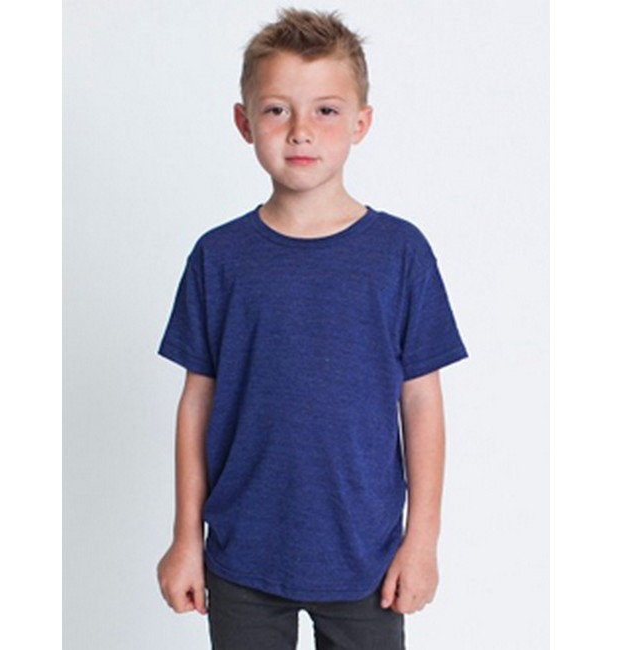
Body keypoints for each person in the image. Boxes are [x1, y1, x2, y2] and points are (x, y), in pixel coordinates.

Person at [156, 8, 467, 650]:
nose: (301, 131)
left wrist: (422, 540)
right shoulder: (219, 257)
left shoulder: (400, 254)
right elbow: (197, 403)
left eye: (326, 110)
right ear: (244, 122)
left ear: (361, 122)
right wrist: (186, 538)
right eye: (277, 110)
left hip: (365, 556)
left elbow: (421, 402)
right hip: (241, 551)